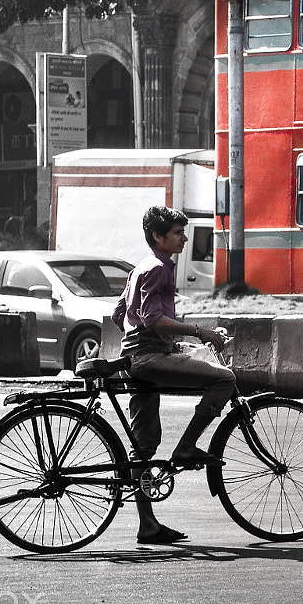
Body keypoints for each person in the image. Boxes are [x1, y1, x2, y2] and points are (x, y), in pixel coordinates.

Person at [112, 205, 238, 543]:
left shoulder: (141, 267)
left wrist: (164, 342)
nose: (184, 238)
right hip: (148, 360)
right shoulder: (159, 269)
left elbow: (119, 314)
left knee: (143, 446)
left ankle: (148, 526)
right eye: (178, 233)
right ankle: (186, 447)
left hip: (136, 358)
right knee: (224, 379)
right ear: (159, 236)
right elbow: (151, 318)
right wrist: (200, 332)